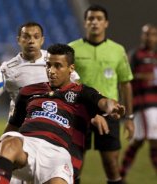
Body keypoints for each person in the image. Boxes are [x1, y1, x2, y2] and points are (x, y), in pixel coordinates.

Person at [0, 43, 126, 184]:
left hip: (57, 155)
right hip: (28, 146)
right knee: (9, 141)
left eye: (58, 66)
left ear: (71, 69)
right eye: (48, 65)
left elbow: (104, 102)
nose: (51, 71)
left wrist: (112, 107)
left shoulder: (82, 93)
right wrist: (1, 157)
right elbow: (13, 125)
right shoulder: (28, 91)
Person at [0, 22, 80, 183]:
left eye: (36, 37)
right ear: (19, 40)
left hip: (50, 128)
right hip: (21, 130)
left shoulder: (54, 61)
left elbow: (75, 87)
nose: (31, 41)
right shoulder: (8, 69)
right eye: (26, 37)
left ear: (42, 40)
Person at [68, 4, 134, 184]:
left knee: (112, 165)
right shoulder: (72, 49)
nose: (94, 22)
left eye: (99, 19)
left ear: (106, 23)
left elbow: (126, 84)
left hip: (109, 113)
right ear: (85, 22)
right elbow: (66, 83)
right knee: (74, 166)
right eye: (90, 18)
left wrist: (129, 117)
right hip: (79, 114)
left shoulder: (117, 50)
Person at [119, 23, 157, 181]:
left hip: (154, 104)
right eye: (147, 34)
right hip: (143, 104)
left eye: (153, 34)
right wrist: (143, 77)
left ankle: (120, 175)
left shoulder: (155, 56)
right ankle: (119, 175)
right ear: (142, 36)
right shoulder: (134, 55)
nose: (150, 37)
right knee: (154, 141)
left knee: (138, 142)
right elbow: (125, 78)